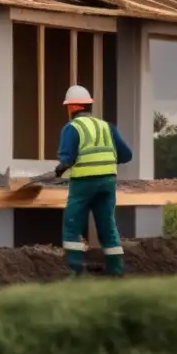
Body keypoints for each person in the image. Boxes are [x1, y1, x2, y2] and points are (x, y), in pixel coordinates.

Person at [53, 84, 133, 277]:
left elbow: (67, 158)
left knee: (72, 223)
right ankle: (115, 269)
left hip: (83, 183)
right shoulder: (107, 127)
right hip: (107, 183)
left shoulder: (72, 128)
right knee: (107, 223)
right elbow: (126, 155)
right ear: (88, 105)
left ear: (71, 107)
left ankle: (75, 269)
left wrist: (60, 168)